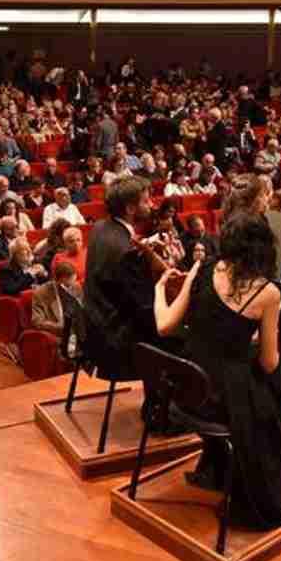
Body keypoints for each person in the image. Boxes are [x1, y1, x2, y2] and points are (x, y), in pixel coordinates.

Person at [151, 213, 281, 527]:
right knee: (271, 397)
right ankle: (270, 473)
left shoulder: (204, 269)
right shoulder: (268, 293)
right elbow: (269, 362)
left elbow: (165, 326)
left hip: (186, 386)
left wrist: (158, 289)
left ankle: (220, 467)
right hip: (221, 397)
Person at [79, 176, 176, 429]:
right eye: (146, 201)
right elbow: (145, 308)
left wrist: (144, 248)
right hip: (116, 343)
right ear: (131, 208)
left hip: (95, 330)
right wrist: (166, 284)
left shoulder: (101, 228)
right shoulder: (126, 253)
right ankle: (163, 415)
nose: (152, 205)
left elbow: (116, 275)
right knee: (179, 336)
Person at [30, 260, 83, 340]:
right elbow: (37, 321)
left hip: (77, 330)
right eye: (66, 285)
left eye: (71, 284)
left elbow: (83, 309)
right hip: (58, 334)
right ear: (56, 280)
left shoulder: (75, 287)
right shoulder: (41, 293)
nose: (68, 289)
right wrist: (62, 327)